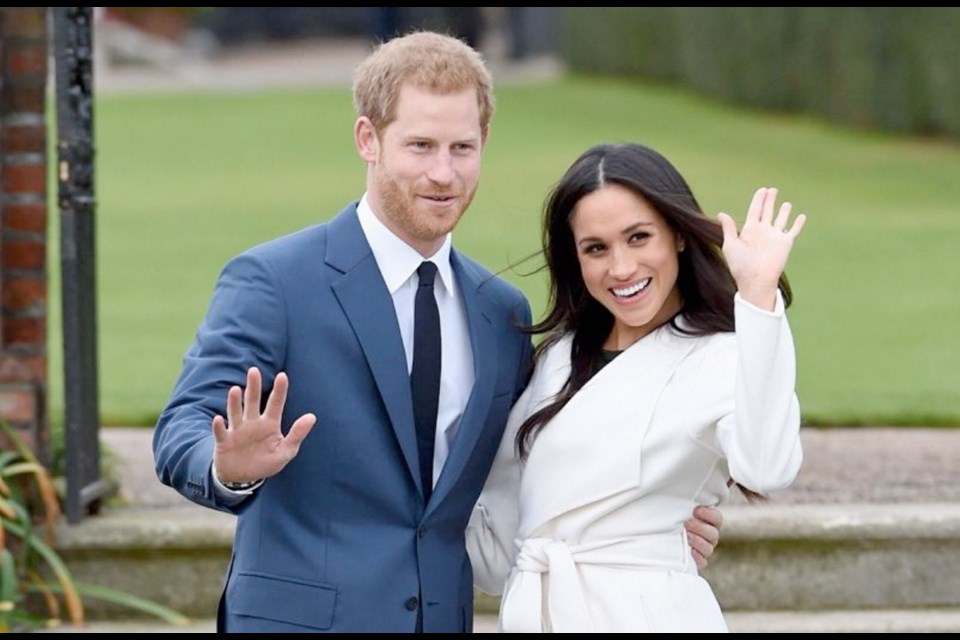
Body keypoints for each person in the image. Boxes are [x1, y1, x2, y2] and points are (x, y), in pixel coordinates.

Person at [152, 33, 722, 633]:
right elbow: (182, 426)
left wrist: (641, 519)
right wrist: (228, 468)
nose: (443, 173)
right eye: (420, 146)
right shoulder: (275, 280)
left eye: (462, 147)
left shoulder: (500, 313)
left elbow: (534, 465)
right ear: (368, 139)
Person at [466, 142, 806, 633]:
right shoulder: (558, 359)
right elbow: (496, 552)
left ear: (678, 235)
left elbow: (769, 466)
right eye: (596, 248)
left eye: (639, 237)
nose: (621, 268)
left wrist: (756, 296)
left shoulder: (722, 356)